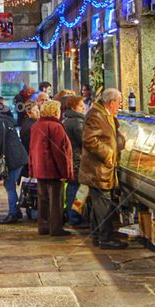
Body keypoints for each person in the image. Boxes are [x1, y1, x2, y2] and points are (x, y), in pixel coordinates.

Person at [78, 86, 127, 249]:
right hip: (98, 170)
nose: (120, 105)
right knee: (103, 205)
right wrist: (109, 154)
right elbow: (90, 140)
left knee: (99, 205)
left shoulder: (106, 114)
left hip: (103, 170)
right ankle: (106, 239)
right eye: (119, 102)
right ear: (111, 102)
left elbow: (111, 135)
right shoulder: (96, 115)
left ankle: (98, 237)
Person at [29, 99, 74, 236]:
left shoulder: (36, 125)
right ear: (55, 111)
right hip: (53, 169)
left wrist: (32, 167)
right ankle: (56, 228)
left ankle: (43, 226)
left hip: (40, 168)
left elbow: (32, 149)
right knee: (56, 200)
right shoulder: (55, 127)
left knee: (43, 199)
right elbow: (60, 151)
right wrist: (65, 171)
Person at [62, 93, 86, 224]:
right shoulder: (77, 122)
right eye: (81, 105)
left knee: (73, 188)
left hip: (72, 159)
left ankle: (73, 215)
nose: (84, 108)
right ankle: (74, 217)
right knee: (75, 189)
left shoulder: (68, 120)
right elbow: (84, 142)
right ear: (73, 107)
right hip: (77, 160)